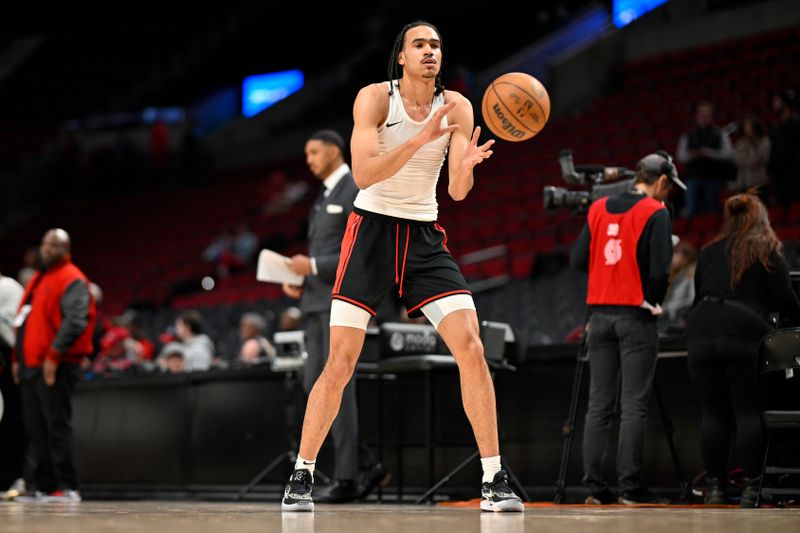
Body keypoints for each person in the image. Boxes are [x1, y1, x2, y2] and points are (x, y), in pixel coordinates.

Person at [282, 21, 523, 513]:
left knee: (472, 346)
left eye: (436, 44)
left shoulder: (456, 105)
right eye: (420, 45)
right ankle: (302, 474)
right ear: (402, 57)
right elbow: (365, 172)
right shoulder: (374, 99)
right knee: (340, 362)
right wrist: (419, 139)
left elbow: (455, 192)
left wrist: (466, 166)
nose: (430, 51)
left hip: (423, 236)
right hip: (370, 231)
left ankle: (494, 478)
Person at [570, 152, 685, 505]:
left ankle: (593, 490)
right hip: (635, 316)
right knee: (633, 405)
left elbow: (577, 260)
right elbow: (659, 271)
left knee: (599, 405)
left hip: (599, 317)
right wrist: (653, 299)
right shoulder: (656, 211)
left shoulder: (598, 207)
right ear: (661, 182)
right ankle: (631, 489)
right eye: (669, 189)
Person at [282, 129, 382, 503]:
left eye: (313, 151)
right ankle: (363, 463)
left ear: (335, 151)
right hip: (314, 304)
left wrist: (310, 265)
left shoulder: (354, 189)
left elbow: (360, 250)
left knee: (336, 387)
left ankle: (347, 478)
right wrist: (300, 279)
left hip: (339, 304)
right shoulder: (322, 198)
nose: (308, 158)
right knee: (317, 388)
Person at [686, 193, 800, 507]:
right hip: (741, 333)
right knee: (746, 410)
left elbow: (700, 296)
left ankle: (716, 488)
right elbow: (786, 301)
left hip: (700, 330)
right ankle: (752, 489)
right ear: (761, 219)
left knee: (713, 413)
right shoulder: (766, 249)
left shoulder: (708, 252)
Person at [11, 229, 97, 502]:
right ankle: (45, 486)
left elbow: (76, 321)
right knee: (36, 428)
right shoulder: (39, 279)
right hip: (30, 366)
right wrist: (16, 358)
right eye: (45, 244)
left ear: (65, 249)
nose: (46, 249)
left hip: (55, 365)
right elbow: (23, 322)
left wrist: (53, 356)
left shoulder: (72, 278)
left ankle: (67, 486)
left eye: (53, 245)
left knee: (57, 426)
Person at [677, 101, 734, 216]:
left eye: (707, 115)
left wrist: (709, 153)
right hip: (692, 178)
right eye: (701, 115)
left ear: (712, 116)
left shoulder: (720, 133)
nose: (704, 118)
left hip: (713, 178)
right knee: (692, 210)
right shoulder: (688, 135)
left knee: (711, 210)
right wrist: (693, 154)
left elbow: (728, 154)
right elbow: (680, 156)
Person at [768, 90, 800, 206]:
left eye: (776, 101)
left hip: (793, 173)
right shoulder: (776, 126)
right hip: (779, 174)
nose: (774, 104)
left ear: (785, 103)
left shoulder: (796, 124)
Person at [660, 241, 696, 333]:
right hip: (666, 317)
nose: (674, 258)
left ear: (686, 258)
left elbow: (692, 298)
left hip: (680, 319)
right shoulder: (672, 271)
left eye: (677, 254)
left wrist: (668, 308)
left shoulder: (691, 272)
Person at [731, 114, 770, 194]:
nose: (746, 127)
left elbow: (758, 160)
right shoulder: (741, 143)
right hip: (743, 182)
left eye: (748, 125)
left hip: (759, 182)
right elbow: (737, 160)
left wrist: (749, 159)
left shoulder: (764, 141)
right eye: (745, 125)